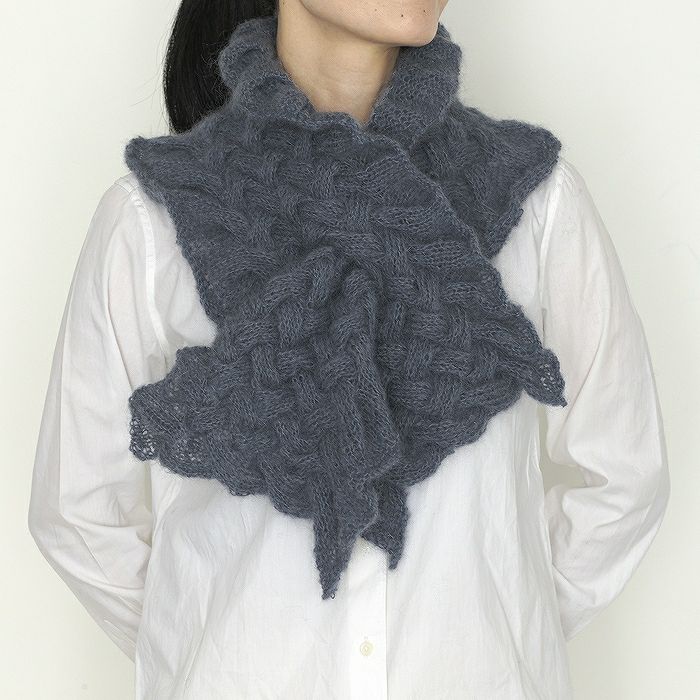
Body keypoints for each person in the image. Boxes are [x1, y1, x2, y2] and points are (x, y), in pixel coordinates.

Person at [27, 1, 670, 698]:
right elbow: (81, 511)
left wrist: (501, 635)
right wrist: (209, 648)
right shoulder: (151, 221)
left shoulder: (539, 205)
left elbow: (621, 475)